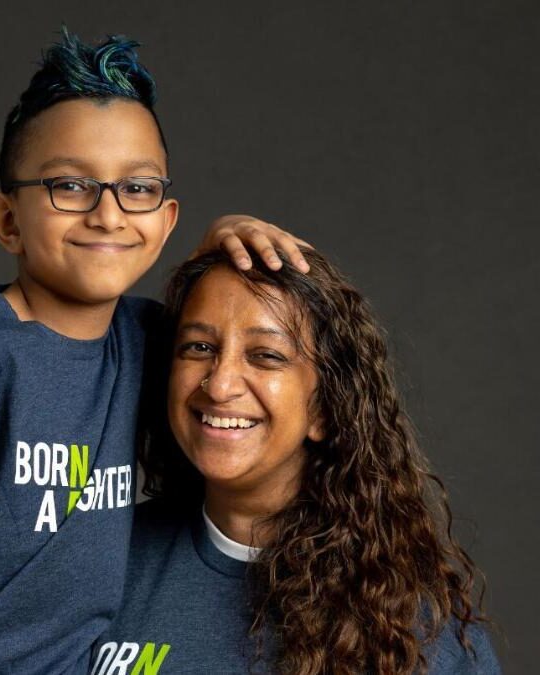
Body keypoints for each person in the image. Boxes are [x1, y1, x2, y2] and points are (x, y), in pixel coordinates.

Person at [0, 27, 309, 675]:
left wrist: (217, 248)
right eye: (69, 186)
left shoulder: (143, 341)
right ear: (6, 220)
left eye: (136, 189)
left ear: (165, 219)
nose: (107, 216)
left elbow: (218, 347)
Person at [92, 249, 500, 674]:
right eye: (199, 347)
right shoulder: (100, 558)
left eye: (266, 355)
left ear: (324, 408)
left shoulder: (412, 623)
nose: (220, 384)